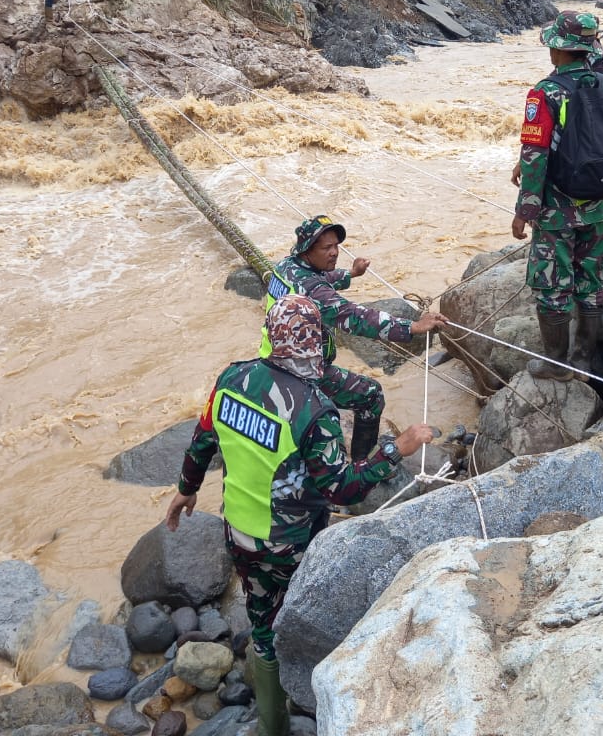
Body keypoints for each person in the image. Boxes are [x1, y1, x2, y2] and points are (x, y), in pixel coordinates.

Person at [167, 294, 436, 736]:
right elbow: (342, 488)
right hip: (292, 542)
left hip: (238, 532)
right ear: (315, 340)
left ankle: (272, 721)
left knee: (261, 616)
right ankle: (315, 689)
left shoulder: (232, 378)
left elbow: (202, 439)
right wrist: (396, 449)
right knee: (302, 609)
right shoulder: (314, 410)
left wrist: (186, 489)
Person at [264, 215, 445, 459]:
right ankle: (362, 462)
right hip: (300, 371)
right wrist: (412, 326)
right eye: (327, 247)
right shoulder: (313, 290)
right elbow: (355, 317)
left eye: (336, 246)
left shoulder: (286, 267)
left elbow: (320, 278)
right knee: (371, 395)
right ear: (307, 250)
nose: (335, 252)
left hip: (270, 359)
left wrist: (351, 274)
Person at [510, 11, 603, 380]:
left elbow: (535, 155)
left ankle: (557, 364)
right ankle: (584, 362)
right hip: (602, 203)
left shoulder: (545, 92)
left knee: (551, 285)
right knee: (591, 281)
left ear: (557, 51)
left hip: (558, 210)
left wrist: (525, 210)